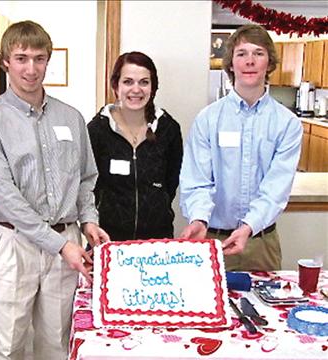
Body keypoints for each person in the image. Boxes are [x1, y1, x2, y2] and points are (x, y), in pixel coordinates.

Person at [0, 20, 110, 360]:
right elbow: (3, 194)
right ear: (5, 62)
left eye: (38, 58)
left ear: (49, 60)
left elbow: (85, 178)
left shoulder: (71, 117)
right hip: (13, 241)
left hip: (67, 240)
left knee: (56, 343)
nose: (30, 69)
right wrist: (60, 244)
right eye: (21, 58)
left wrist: (89, 220)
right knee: (9, 346)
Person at [179, 24, 303, 271]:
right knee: (209, 308)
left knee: (265, 309)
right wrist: (199, 218)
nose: (249, 61)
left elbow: (276, 188)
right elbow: (197, 180)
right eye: (241, 53)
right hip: (211, 239)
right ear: (231, 63)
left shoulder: (287, 123)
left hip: (260, 243)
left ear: (269, 63)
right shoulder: (208, 119)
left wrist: (248, 226)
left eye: (258, 53)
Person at [88, 51, 183, 241]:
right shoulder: (97, 129)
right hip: (108, 238)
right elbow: (89, 184)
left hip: (157, 240)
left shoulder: (168, 129)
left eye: (144, 82)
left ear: (153, 87)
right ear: (116, 85)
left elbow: (171, 182)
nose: (136, 89)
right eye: (128, 81)